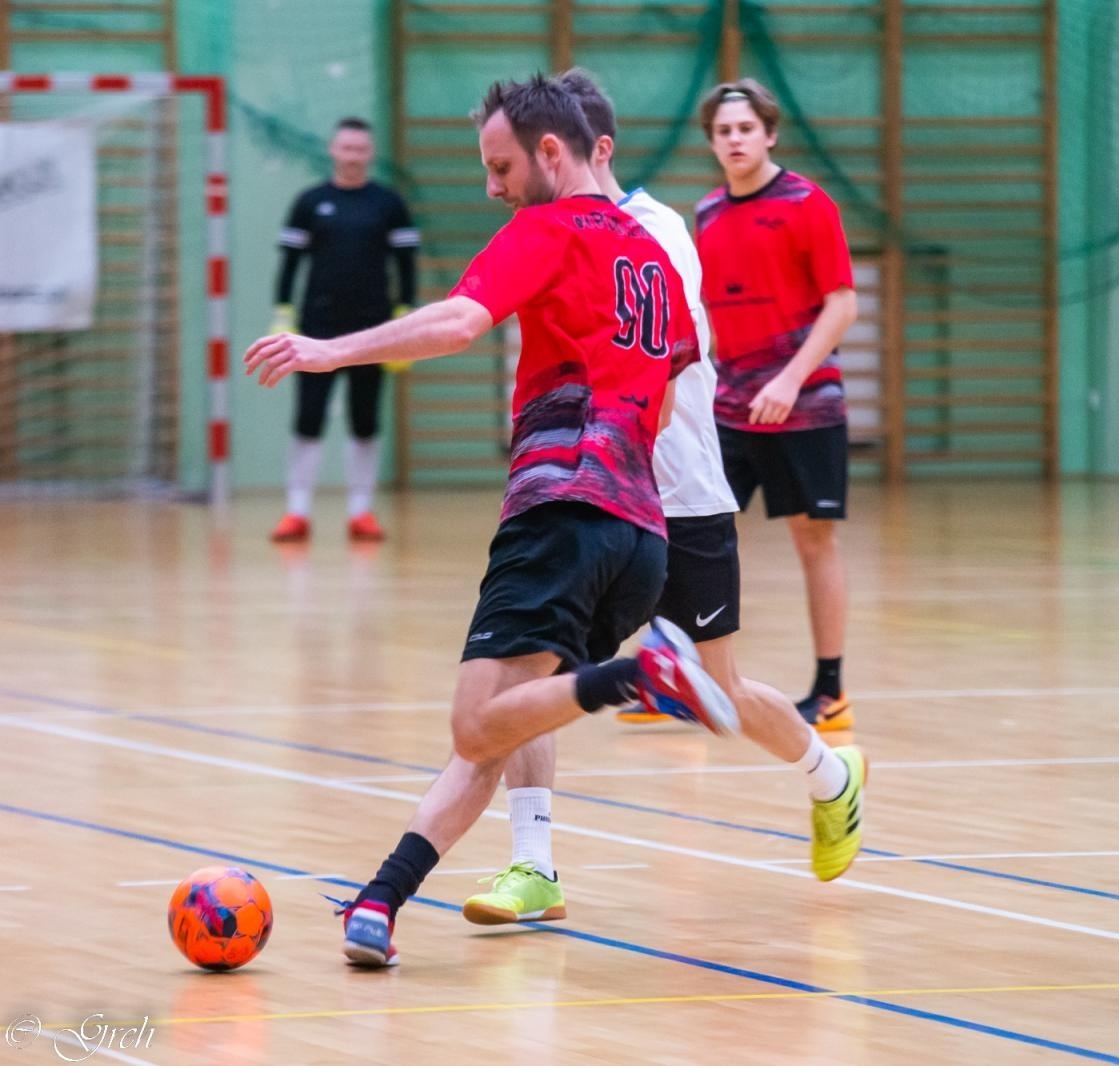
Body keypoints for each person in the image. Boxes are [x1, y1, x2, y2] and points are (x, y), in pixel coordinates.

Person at [244, 74, 736, 968]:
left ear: (553, 152)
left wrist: (330, 349)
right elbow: (663, 403)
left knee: (478, 725)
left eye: (501, 166)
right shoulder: (655, 255)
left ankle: (641, 677)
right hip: (639, 534)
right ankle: (379, 904)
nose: (493, 187)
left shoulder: (544, 229)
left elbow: (460, 323)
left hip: (560, 514)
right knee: (503, 726)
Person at [459, 70, 867, 928]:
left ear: (587, 149)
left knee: (714, 692)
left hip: (677, 494)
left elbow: (668, 363)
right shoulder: (546, 229)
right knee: (534, 670)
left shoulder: (658, 230)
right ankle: (533, 867)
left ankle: (832, 775)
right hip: (590, 498)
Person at [656, 77, 859, 731]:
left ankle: (830, 690)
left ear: (769, 134)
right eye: (724, 131)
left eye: (746, 128)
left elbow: (843, 303)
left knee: (812, 540)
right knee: (689, 529)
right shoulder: (708, 214)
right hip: (729, 403)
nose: (735, 139)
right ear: (712, 143)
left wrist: (791, 381)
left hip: (802, 400)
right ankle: (673, 679)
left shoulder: (807, 203)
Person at [270, 117, 418, 543]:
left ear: (369, 153)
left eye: (360, 149)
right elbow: (290, 264)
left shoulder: (388, 204)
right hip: (317, 327)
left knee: (365, 419)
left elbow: (405, 266)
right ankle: (296, 511)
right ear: (333, 151)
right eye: (345, 148)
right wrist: (283, 313)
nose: (352, 156)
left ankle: (361, 511)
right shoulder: (309, 202)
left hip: (374, 329)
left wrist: (404, 316)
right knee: (308, 417)